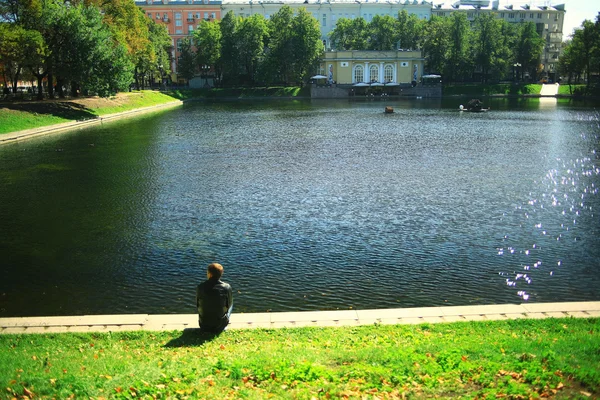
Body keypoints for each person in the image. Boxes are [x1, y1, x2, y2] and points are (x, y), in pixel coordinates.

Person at [196, 262, 233, 333]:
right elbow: (229, 305)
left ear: (209, 274)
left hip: (203, 325)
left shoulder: (200, 287)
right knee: (231, 304)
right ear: (221, 274)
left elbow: (197, 305)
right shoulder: (226, 287)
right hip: (220, 326)